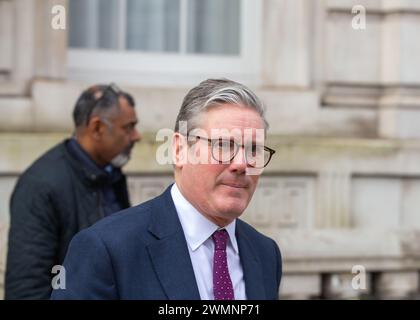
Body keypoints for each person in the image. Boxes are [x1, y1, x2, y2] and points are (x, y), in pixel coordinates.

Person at [51, 78, 282, 300]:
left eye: (253, 149)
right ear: (180, 150)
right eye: (223, 145)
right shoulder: (107, 249)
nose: (242, 164)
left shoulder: (265, 254)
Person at [5, 83, 141, 299]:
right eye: (128, 127)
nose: (136, 136)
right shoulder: (40, 185)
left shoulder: (111, 173)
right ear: (97, 128)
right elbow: (26, 288)